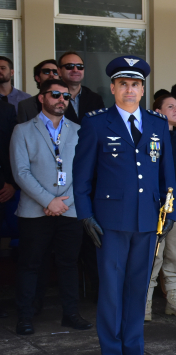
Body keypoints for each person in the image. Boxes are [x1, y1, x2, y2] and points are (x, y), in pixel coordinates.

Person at [73, 55, 176, 355]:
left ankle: (133, 347)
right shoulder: (96, 124)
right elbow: (81, 178)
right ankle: (111, 348)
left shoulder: (157, 124)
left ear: (143, 90)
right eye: (123, 84)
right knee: (111, 292)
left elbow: (167, 173)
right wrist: (85, 215)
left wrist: (169, 209)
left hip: (147, 220)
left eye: (135, 84)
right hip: (111, 222)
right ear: (113, 87)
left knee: (137, 290)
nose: (129, 90)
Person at [11, 79, 91, 335]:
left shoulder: (79, 130)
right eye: (55, 94)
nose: (61, 100)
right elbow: (21, 173)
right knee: (30, 264)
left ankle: (71, 314)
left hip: (69, 208)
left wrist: (62, 202)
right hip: (35, 211)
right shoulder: (22, 130)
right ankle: (24, 316)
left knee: (69, 264)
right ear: (41, 98)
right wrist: (48, 201)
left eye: (66, 97)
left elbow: (83, 171)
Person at [145, 94, 176, 321]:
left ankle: (173, 300)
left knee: (175, 256)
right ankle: (144, 302)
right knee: (152, 257)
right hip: (154, 210)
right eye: (170, 107)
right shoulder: (147, 140)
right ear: (157, 112)